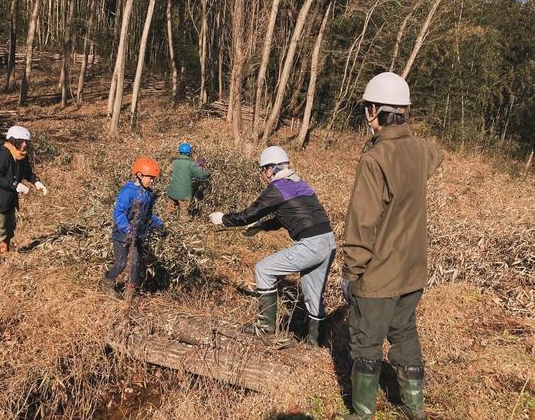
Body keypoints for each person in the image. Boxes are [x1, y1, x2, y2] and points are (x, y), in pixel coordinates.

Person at [337, 72, 444, 420]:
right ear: (404, 111)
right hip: (413, 273)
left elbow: (361, 224)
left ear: (373, 111)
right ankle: (415, 409)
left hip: (379, 275)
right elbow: (436, 152)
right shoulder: (420, 152)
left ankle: (362, 413)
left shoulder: (374, 160)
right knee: (405, 334)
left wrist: (351, 273)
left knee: (366, 343)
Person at [209, 146, 336, 346]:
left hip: (311, 244)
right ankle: (315, 343)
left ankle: (265, 328)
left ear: (271, 168)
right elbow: (287, 215)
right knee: (313, 294)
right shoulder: (299, 183)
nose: (263, 175)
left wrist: (223, 219)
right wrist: (261, 227)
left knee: (264, 269)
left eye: (263, 170)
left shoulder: (278, 187)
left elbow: (250, 213)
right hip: (328, 242)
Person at [0, 125, 48, 266]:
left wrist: (36, 182)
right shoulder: (4, 155)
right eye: (20, 142)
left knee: (9, 228)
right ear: (12, 141)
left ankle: (4, 255)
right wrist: (15, 185)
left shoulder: (22, 156)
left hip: (9, 201)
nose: (24, 145)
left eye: (26, 142)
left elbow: (27, 172)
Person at [100, 156, 164, 299]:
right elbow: (119, 212)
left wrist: (159, 225)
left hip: (139, 235)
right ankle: (107, 282)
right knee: (121, 263)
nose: (152, 181)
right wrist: (128, 229)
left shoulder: (149, 194)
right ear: (139, 175)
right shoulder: (127, 192)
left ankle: (130, 295)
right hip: (122, 235)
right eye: (150, 177)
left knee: (135, 264)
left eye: (154, 178)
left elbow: (148, 215)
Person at [166, 142, 210, 219]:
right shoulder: (191, 164)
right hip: (184, 194)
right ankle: (182, 226)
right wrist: (207, 173)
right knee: (184, 214)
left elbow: (167, 171)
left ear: (179, 152)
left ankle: (167, 225)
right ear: (189, 153)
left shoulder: (175, 162)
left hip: (172, 191)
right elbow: (202, 175)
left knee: (169, 212)